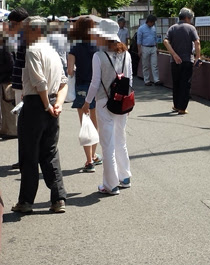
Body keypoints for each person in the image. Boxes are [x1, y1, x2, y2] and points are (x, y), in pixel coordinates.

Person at [11, 17, 69, 215]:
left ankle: (26, 202)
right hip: (52, 104)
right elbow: (63, 81)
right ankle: (58, 198)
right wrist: (57, 105)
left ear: (36, 30)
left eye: (26, 30)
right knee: (50, 152)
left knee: (29, 154)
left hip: (37, 104)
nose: (23, 34)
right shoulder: (52, 51)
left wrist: (47, 105)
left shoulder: (33, 50)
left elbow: (39, 82)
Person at [82, 19, 132, 196]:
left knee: (107, 144)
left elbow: (95, 83)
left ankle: (110, 185)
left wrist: (87, 102)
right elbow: (130, 80)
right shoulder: (127, 54)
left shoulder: (99, 56)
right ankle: (125, 177)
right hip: (123, 101)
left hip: (104, 102)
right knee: (121, 139)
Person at [67, 16, 102, 172]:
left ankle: (89, 160)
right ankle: (93, 155)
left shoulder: (74, 48)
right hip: (97, 88)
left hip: (82, 86)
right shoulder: (98, 47)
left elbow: (69, 71)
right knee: (95, 123)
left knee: (85, 123)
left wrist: (76, 69)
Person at [163, 7, 201, 114]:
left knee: (176, 83)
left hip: (174, 61)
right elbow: (197, 42)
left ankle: (176, 105)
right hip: (187, 60)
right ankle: (182, 108)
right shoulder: (191, 28)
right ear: (187, 18)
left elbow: (165, 41)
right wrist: (198, 57)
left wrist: (174, 54)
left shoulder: (172, 28)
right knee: (185, 83)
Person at [6, 8, 30, 168]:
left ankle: (26, 160)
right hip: (21, 85)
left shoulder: (27, 38)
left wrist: (24, 88)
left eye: (12, 24)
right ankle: (24, 159)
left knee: (24, 125)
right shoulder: (23, 37)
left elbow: (26, 66)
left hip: (24, 87)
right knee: (22, 124)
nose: (10, 26)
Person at [137, 15, 160, 86]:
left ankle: (156, 80)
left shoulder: (153, 28)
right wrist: (139, 50)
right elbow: (139, 40)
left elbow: (155, 38)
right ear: (149, 22)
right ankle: (147, 80)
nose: (153, 24)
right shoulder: (141, 28)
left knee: (154, 64)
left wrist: (157, 48)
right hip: (145, 47)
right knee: (145, 65)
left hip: (153, 47)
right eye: (153, 22)